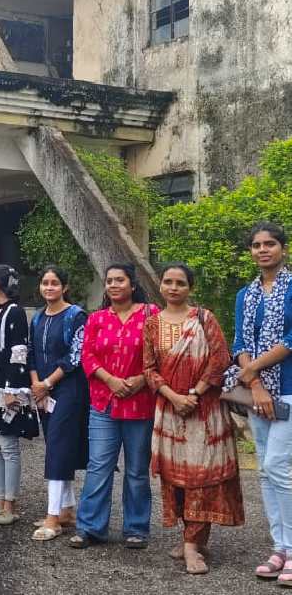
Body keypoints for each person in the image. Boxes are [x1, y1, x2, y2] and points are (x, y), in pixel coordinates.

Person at [144, 263, 244, 575]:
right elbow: (149, 369)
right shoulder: (152, 324)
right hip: (170, 412)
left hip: (205, 412)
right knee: (176, 478)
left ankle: (191, 546)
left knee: (201, 478)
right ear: (161, 285)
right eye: (168, 282)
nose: (174, 288)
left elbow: (219, 359)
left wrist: (194, 394)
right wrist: (174, 397)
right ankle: (193, 538)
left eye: (180, 283)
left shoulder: (204, 318)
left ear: (190, 288)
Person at [69, 263, 159, 550]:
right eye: (109, 281)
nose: (114, 285)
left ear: (132, 284)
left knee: (137, 470)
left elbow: (161, 355)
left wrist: (141, 380)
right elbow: (87, 356)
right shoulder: (96, 318)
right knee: (98, 466)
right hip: (104, 402)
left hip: (140, 403)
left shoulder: (151, 315)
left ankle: (136, 528)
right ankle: (90, 528)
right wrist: (111, 380)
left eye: (120, 280)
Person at [228, 222, 292, 582]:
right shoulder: (245, 295)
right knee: (266, 472)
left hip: (288, 388)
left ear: (283, 248)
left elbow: (291, 338)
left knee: (277, 465)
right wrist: (254, 384)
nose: (263, 249)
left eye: (270, 243)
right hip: (257, 391)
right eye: (256, 245)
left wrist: (252, 371)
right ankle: (279, 548)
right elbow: (239, 342)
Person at [28, 265, 89, 542]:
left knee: (57, 448)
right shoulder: (38, 317)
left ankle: (52, 518)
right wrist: (36, 385)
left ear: (65, 287)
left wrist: (48, 383)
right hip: (43, 390)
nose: (49, 287)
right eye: (45, 283)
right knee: (57, 447)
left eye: (54, 283)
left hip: (68, 390)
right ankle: (67, 510)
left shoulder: (76, 316)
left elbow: (75, 356)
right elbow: (31, 352)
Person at [0, 265, 38, 525]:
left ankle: (10, 503)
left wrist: (13, 389)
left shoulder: (15, 312)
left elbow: (19, 350)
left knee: (8, 446)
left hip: (9, 386)